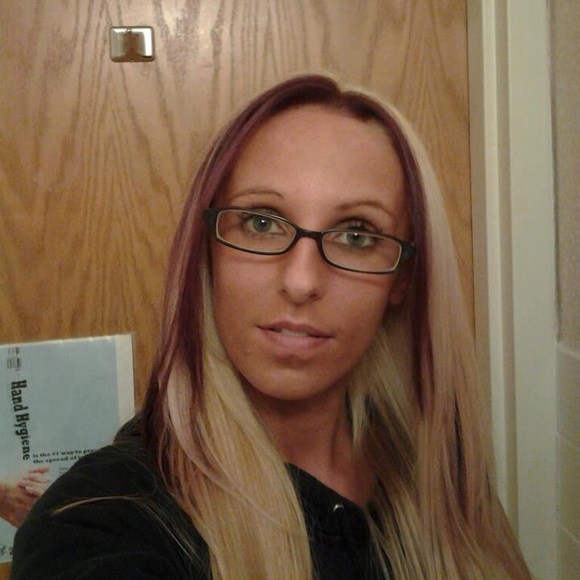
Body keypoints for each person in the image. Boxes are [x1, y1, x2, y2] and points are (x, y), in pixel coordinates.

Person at [10, 74, 531, 579]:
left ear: (402, 278)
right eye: (261, 222)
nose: (301, 282)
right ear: (206, 251)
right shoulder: (97, 521)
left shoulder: (439, 482)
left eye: (356, 235)